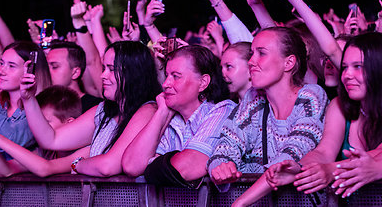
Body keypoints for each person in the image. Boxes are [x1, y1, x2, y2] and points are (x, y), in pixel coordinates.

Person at [206, 26, 328, 204]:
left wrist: (239, 203)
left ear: (289, 63)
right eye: (251, 54)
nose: (251, 62)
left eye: (261, 53)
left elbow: (290, 157)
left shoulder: (311, 96)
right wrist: (221, 166)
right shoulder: (253, 98)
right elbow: (226, 144)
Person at [264, 32, 382, 200]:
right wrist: (300, 169)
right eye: (345, 66)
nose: (347, 74)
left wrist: (330, 170)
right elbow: (324, 151)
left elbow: (379, 154)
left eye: (358, 66)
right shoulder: (339, 105)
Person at [22, 41, 162, 177]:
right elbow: (51, 139)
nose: (103, 75)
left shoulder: (148, 110)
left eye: (112, 69)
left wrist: (77, 164)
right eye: (104, 68)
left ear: (134, 73)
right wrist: (28, 99)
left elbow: (107, 166)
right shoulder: (103, 110)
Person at [122, 45, 236, 187]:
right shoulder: (173, 120)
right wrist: (162, 113)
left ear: (203, 83)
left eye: (175, 76)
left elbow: (186, 168)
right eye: (167, 75)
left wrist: (151, 166)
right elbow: (131, 166)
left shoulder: (223, 110)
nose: (165, 84)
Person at [0, 85, 90, 177]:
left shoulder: (87, 150)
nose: (39, 129)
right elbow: (5, 171)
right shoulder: (47, 152)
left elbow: (45, 168)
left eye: (45, 123)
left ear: (70, 122)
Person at [0, 41, 51, 173]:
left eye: (11, 66)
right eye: (1, 63)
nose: (1, 71)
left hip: (14, 192)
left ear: (30, 71)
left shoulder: (38, 111)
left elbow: (6, 140)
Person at [47, 40, 102, 113]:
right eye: (46, 67)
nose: (47, 72)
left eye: (54, 66)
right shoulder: (44, 105)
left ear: (75, 73)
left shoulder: (94, 107)